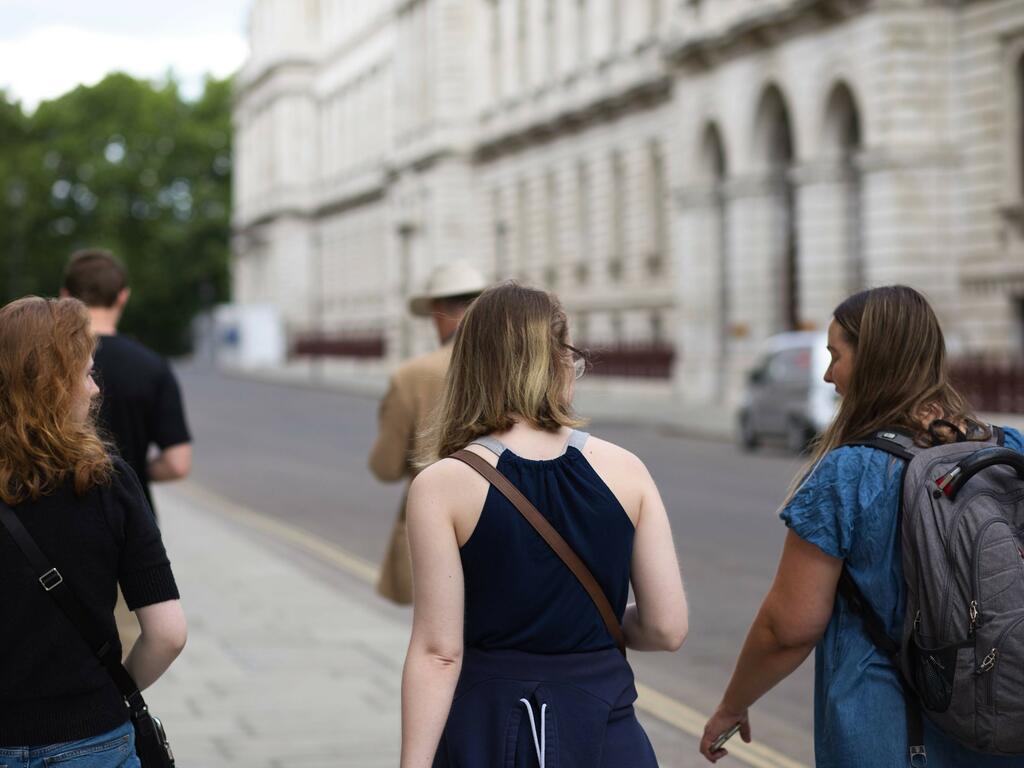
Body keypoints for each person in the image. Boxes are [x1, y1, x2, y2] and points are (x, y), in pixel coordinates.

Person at [699, 285, 1024, 767]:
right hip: (1000, 723)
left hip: (886, 734)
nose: (829, 374)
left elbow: (789, 626)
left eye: (835, 356)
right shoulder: (1007, 448)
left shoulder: (848, 473)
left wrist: (733, 704)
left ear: (872, 361)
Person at [400, 282, 689, 767]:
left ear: (471, 365)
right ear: (558, 359)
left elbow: (438, 653)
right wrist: (588, 624)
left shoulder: (443, 485)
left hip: (489, 735)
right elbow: (666, 628)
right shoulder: (626, 470)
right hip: (605, 731)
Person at [0, 296, 186, 765]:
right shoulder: (109, 481)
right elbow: (168, 633)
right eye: (85, 373)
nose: (95, 389)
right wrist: (113, 689)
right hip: (92, 739)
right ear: (56, 385)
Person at [369, 261, 488, 604]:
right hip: (509, 525)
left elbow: (386, 466)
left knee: (439, 639)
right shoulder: (513, 367)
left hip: (435, 530)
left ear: (437, 311)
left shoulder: (413, 375)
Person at [61, 249, 192, 513]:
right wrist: (135, 473)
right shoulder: (153, 366)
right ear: (123, 296)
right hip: (131, 514)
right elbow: (178, 463)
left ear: (65, 295)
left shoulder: (49, 359)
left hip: (61, 510)